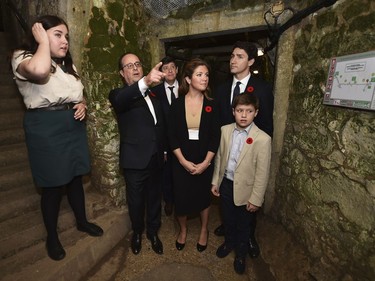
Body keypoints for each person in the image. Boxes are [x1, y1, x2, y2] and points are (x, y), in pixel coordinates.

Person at [11, 15, 103, 261]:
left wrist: (82, 104)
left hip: (71, 125)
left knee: (75, 178)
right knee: (52, 186)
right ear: (40, 34)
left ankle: (82, 221)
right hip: (45, 128)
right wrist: (42, 42)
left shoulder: (67, 65)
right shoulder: (23, 57)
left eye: (67, 37)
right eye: (58, 35)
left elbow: (75, 93)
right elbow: (40, 72)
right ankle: (52, 236)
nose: (65, 42)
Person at [214, 41, 274, 258]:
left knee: (247, 207)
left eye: (239, 56)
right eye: (231, 55)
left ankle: (248, 237)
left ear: (250, 61)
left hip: (250, 155)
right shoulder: (221, 89)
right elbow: (220, 127)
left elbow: (266, 126)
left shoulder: (263, 88)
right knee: (229, 205)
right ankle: (230, 231)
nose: (233, 60)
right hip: (228, 157)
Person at [108, 53, 166, 255]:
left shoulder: (154, 95)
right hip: (134, 161)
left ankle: (153, 232)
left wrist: (164, 150)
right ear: (122, 73)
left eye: (138, 64)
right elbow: (123, 99)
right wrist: (146, 81)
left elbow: (160, 126)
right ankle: (138, 233)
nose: (135, 68)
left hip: (155, 158)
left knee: (154, 199)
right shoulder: (118, 95)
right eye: (129, 65)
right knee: (136, 202)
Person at [211, 94, 271, 274]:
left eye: (249, 111)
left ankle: (241, 254)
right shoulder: (225, 130)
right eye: (240, 111)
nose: (244, 115)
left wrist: (256, 198)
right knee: (228, 218)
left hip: (247, 190)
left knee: (244, 224)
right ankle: (229, 243)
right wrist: (216, 181)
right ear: (233, 112)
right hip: (227, 184)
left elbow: (262, 173)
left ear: (256, 113)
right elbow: (220, 157)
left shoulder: (263, 139)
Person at [168, 58, 220, 252]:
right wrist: (182, 161)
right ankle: (183, 230)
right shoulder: (176, 104)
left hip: (204, 159)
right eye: (199, 74)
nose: (204, 78)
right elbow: (171, 136)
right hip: (181, 159)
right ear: (188, 79)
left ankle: (204, 229)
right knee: (181, 198)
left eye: (206, 75)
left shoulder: (212, 105)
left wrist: (206, 162)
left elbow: (216, 137)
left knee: (203, 197)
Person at [150, 56, 179, 216]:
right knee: (166, 172)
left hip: (184, 140)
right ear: (161, 72)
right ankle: (169, 200)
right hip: (165, 142)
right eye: (165, 68)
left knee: (182, 171)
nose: (169, 70)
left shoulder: (187, 89)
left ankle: (181, 198)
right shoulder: (154, 92)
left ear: (177, 70)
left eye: (172, 67)